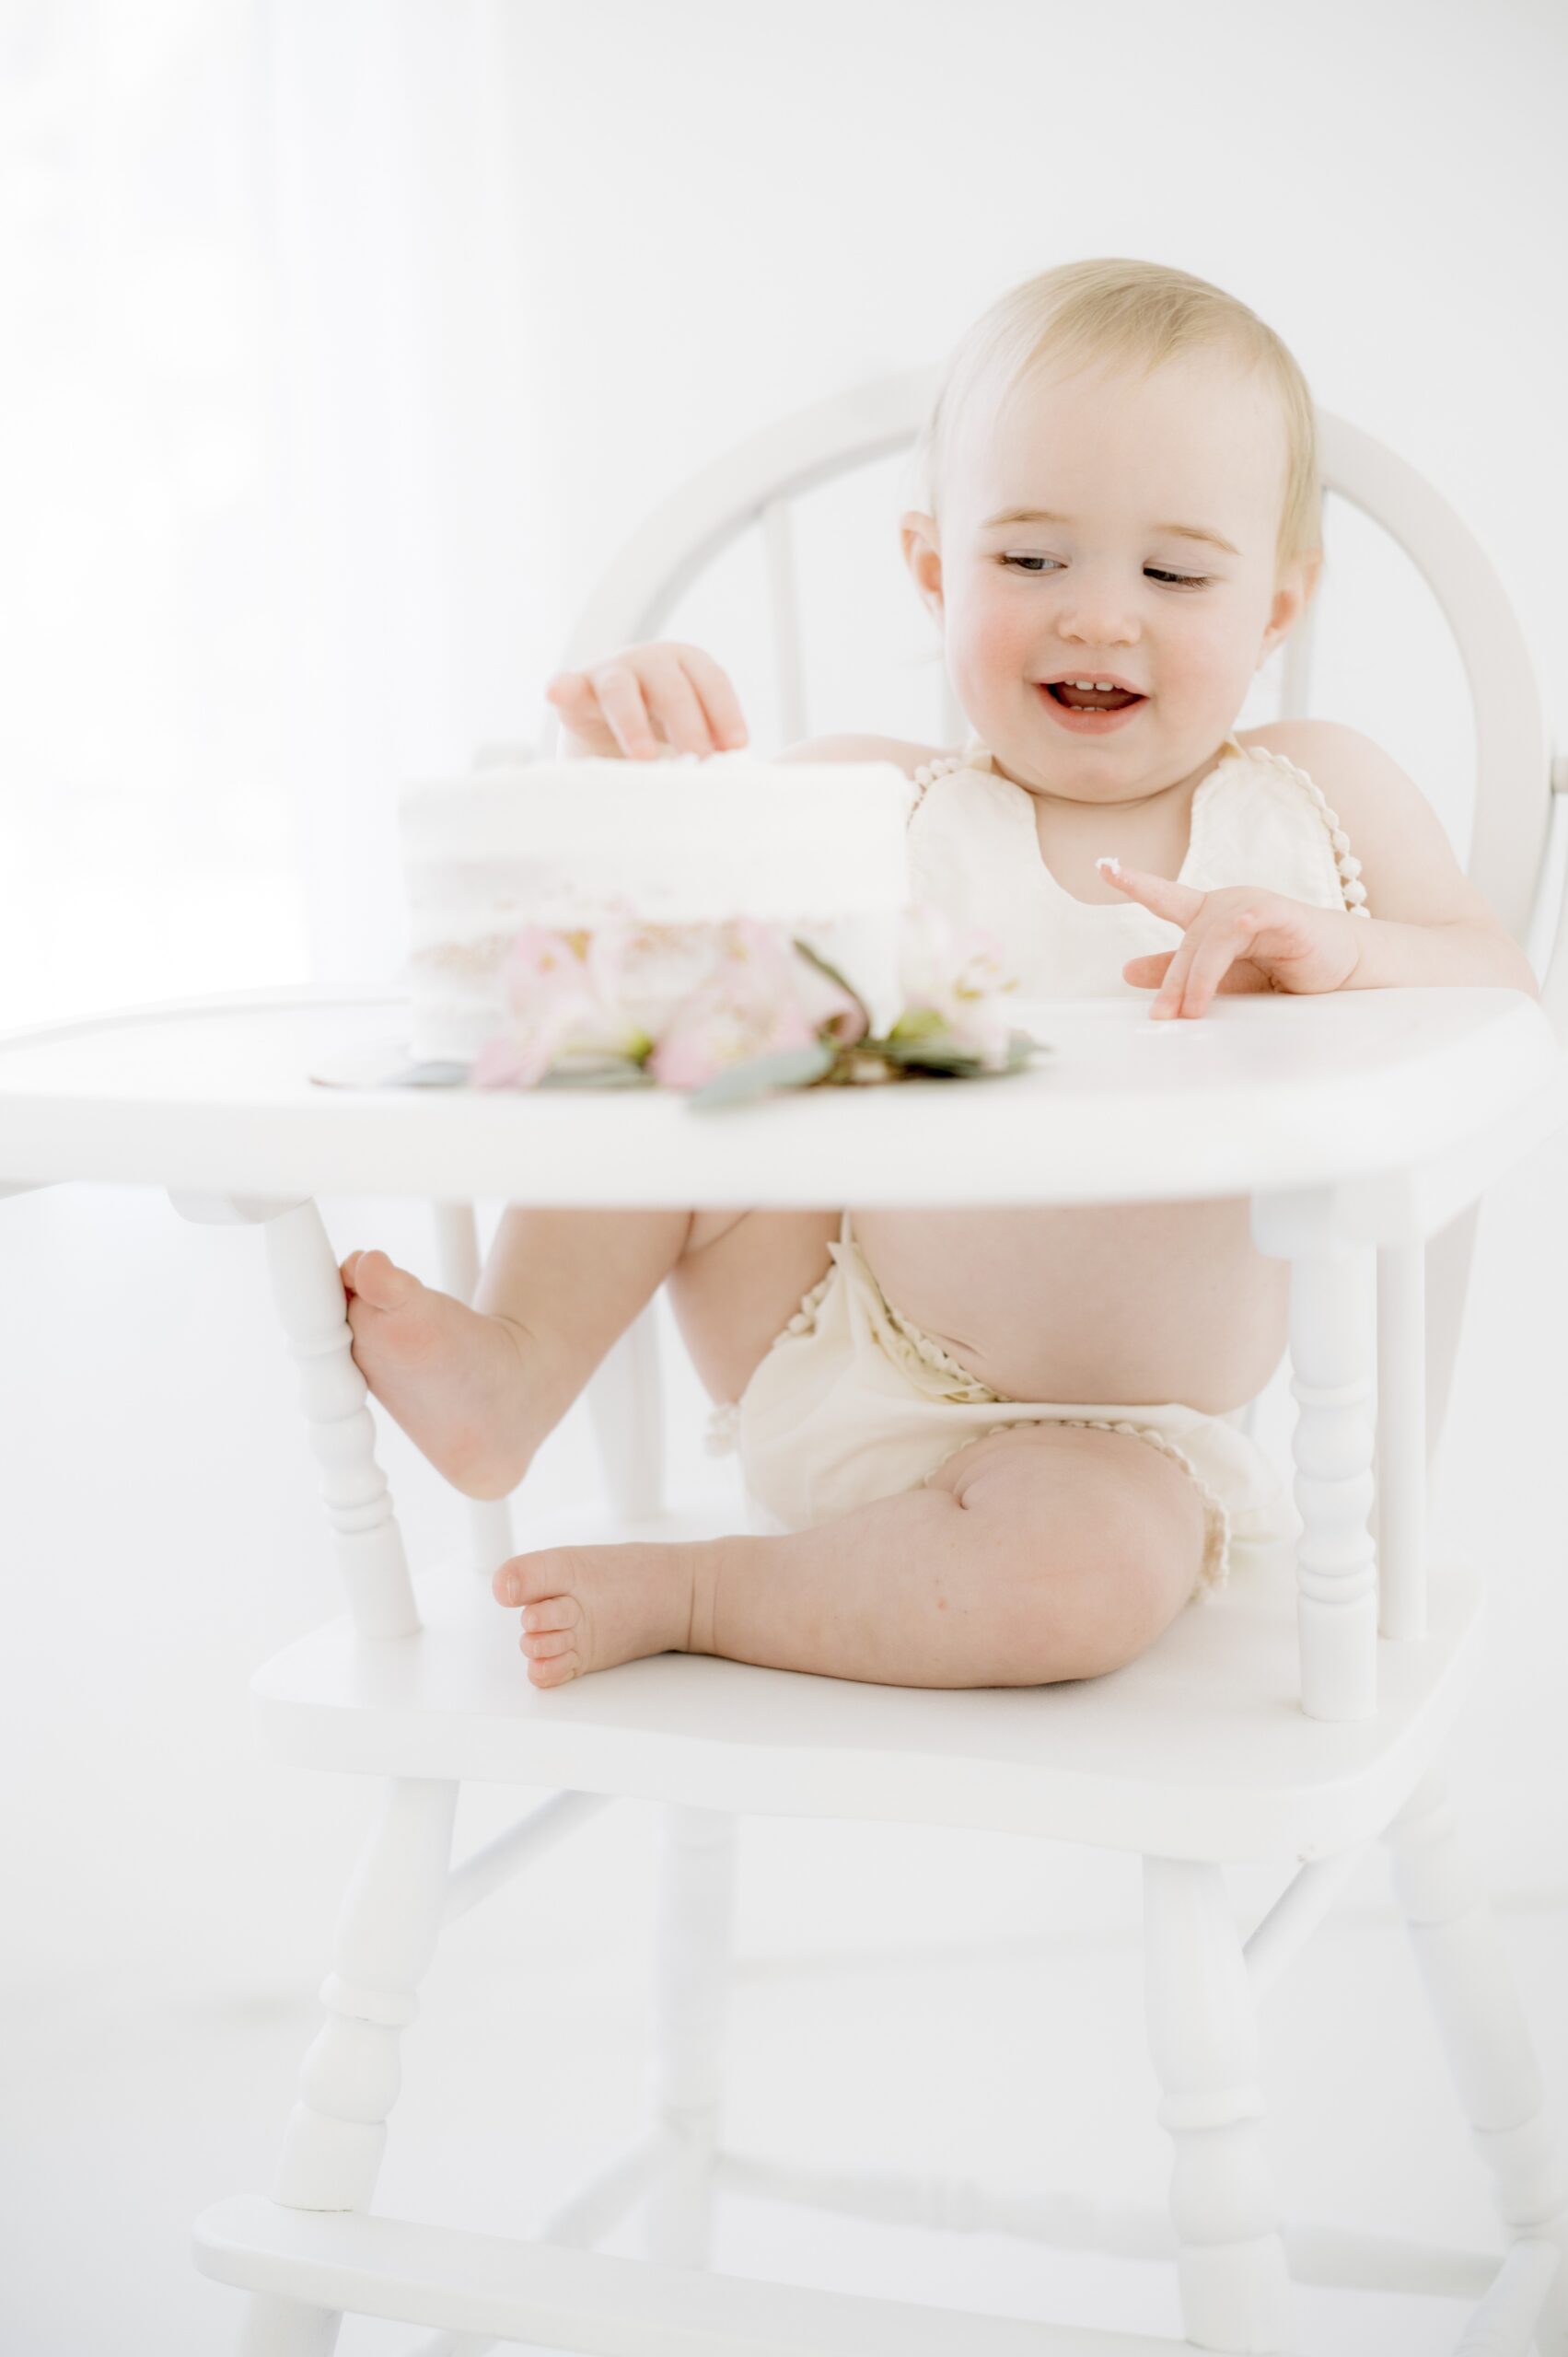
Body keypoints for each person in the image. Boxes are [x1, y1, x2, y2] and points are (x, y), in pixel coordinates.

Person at [340, 257, 1537, 1693]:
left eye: (1173, 572)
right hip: (829, 1330)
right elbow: (609, 957)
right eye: (1031, 561)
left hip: (1116, 1440)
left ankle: (716, 1589)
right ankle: (517, 1361)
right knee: (700, 1018)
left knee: (1089, 1578)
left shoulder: (1320, 805)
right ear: (932, 571)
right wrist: (634, 783)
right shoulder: (870, 809)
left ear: (1278, 604)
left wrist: (1352, 954)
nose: (1100, 614)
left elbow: (1500, 1001)